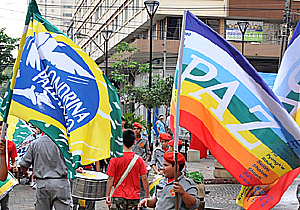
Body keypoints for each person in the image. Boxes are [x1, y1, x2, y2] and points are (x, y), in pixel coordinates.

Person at [20, 135, 72, 210]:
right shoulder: (65, 143)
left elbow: (24, 164)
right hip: (61, 182)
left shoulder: (35, 143)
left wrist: (26, 174)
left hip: (42, 183)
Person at [106, 129, 150, 210]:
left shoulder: (115, 159)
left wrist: (107, 195)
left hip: (118, 195)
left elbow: (110, 178)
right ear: (134, 142)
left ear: (121, 141)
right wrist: (147, 195)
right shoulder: (139, 160)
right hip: (134, 196)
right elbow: (144, 178)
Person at [0, 121, 17, 210]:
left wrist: (14, 166)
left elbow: (14, 160)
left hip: (5, 176)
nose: (2, 131)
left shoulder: (10, 144)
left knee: (4, 202)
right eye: (0, 129)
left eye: (4, 129)